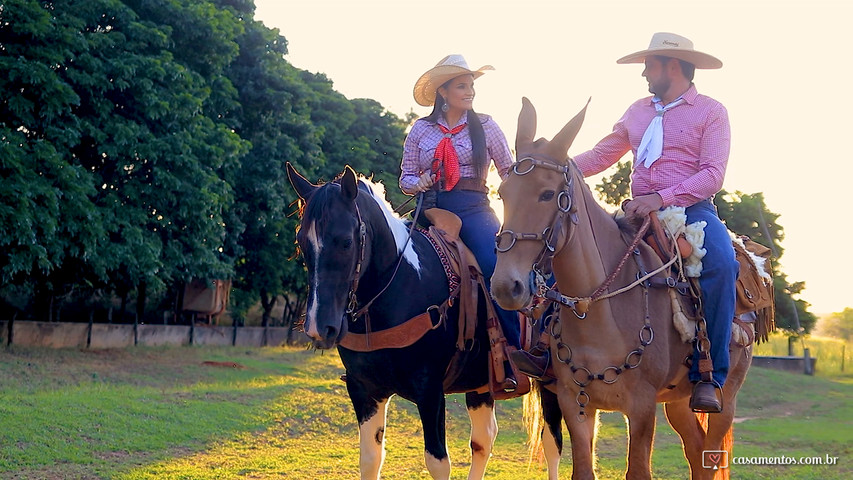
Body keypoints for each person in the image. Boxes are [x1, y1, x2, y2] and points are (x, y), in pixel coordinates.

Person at [512, 32, 738, 413]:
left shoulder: (711, 112)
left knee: (722, 264)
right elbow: (604, 153)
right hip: (636, 213)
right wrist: (549, 170)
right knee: (569, 249)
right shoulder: (637, 110)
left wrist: (661, 198)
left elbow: (713, 174)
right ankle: (546, 350)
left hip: (691, 211)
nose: (645, 73)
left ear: (672, 66)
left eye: (649, 65)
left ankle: (709, 375)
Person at [400, 54, 521, 383]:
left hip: (474, 208)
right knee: (394, 261)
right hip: (430, 208)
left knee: (496, 268)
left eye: (471, 86)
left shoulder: (487, 125)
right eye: (462, 86)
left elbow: (508, 172)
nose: (470, 92)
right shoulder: (421, 130)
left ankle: (514, 352)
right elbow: (406, 177)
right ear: (443, 91)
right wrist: (418, 183)